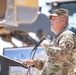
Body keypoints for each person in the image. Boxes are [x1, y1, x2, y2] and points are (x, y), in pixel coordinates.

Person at [23, 8, 76, 75]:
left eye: (54, 18)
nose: (51, 20)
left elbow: (63, 55)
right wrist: (34, 63)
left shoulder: (67, 35)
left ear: (63, 20)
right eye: (51, 18)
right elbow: (53, 61)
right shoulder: (57, 37)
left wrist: (47, 45)